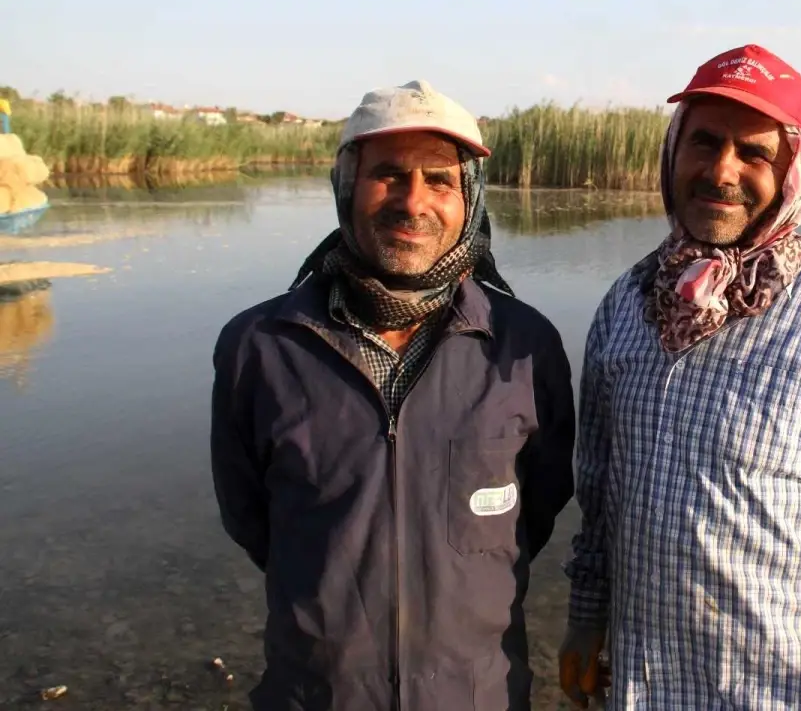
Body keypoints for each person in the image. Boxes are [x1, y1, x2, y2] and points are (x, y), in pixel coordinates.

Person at [559, 45, 801, 711]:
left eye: (753, 153)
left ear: (791, 171)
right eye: (703, 141)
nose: (722, 170)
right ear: (674, 153)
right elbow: (598, 492)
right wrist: (586, 619)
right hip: (642, 686)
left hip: (780, 692)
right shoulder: (626, 304)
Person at [210, 80, 576, 711]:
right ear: (347, 188)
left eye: (439, 180)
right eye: (388, 175)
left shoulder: (524, 345)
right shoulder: (260, 346)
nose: (413, 201)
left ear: (470, 199)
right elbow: (253, 521)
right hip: (315, 695)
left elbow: (538, 510)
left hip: (479, 694)